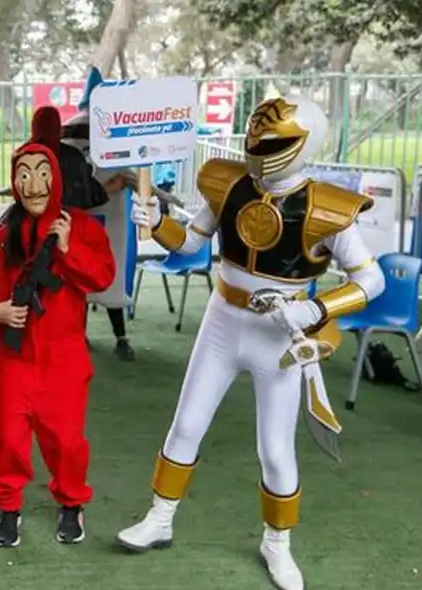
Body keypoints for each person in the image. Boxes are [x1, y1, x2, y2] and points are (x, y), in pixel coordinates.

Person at [115, 96, 385, 590]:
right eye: (255, 137)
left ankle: (277, 543)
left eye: (274, 142)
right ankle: (160, 516)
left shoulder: (327, 206)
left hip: (278, 334)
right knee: (186, 424)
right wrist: (155, 222)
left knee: (276, 450)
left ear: (305, 144)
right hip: (223, 320)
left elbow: (371, 280)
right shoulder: (229, 183)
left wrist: (316, 309)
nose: (259, 150)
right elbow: (190, 242)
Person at [0, 137, 115, 548]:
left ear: (55, 178)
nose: (33, 184)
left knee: (67, 442)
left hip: (64, 360)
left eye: (41, 173)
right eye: (23, 174)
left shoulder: (81, 227)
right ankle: (8, 507)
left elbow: (102, 278)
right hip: (16, 359)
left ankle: (71, 503)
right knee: (9, 440)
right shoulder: (7, 235)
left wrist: (68, 249)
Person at [60, 67, 144, 361]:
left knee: (80, 270)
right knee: (110, 272)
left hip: (80, 215)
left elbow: (66, 179)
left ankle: (80, 335)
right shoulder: (113, 129)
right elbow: (127, 173)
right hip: (109, 215)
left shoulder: (66, 133)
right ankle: (120, 337)